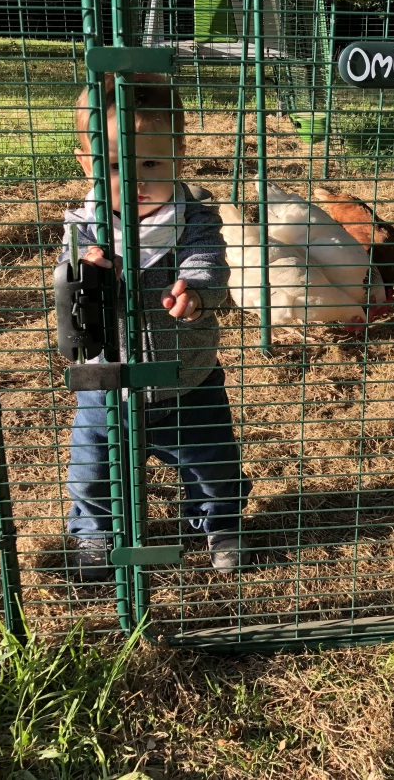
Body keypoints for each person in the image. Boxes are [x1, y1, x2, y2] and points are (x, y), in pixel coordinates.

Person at [60, 72, 250, 582]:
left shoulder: (194, 218)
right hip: (105, 380)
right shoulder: (83, 227)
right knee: (93, 469)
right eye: (115, 166)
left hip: (188, 377)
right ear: (87, 164)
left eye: (150, 164)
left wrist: (196, 292)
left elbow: (209, 263)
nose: (135, 181)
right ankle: (96, 533)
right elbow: (67, 289)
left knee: (212, 465)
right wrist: (86, 272)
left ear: (178, 157)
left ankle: (219, 526)